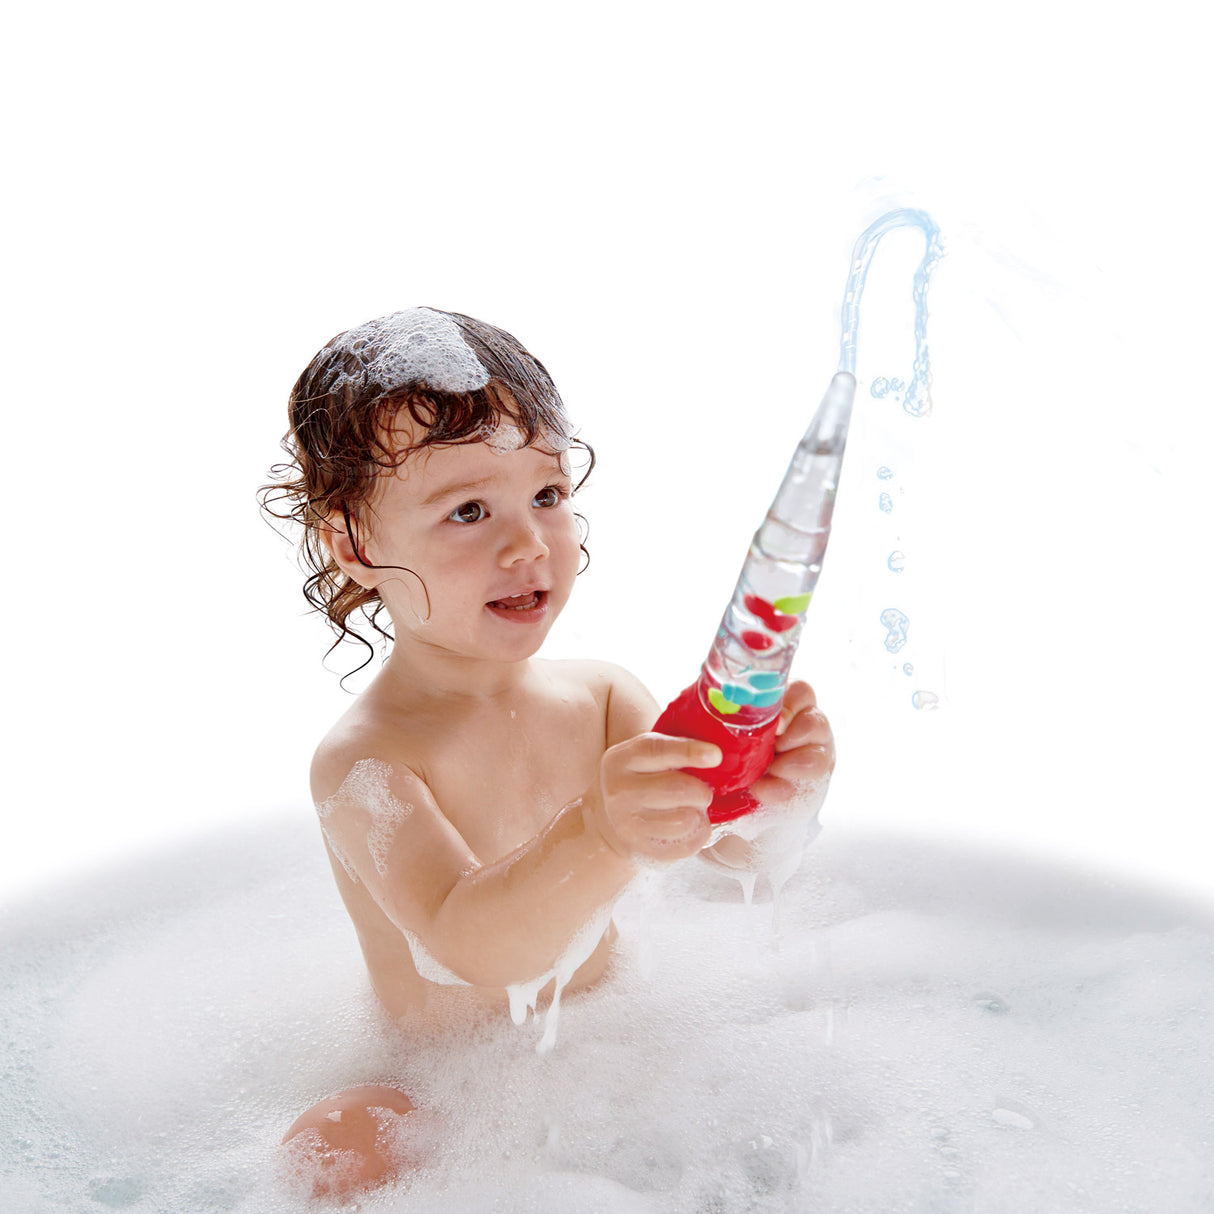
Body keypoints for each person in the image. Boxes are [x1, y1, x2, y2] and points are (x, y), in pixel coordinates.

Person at [262, 307, 835, 1196]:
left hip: (607, 1040)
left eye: (547, 495)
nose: (527, 542)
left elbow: (727, 852)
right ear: (354, 542)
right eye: (466, 511)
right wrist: (603, 834)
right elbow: (467, 944)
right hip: (447, 1086)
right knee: (337, 1145)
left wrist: (773, 789)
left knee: (775, 1107)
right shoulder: (367, 765)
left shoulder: (602, 697)